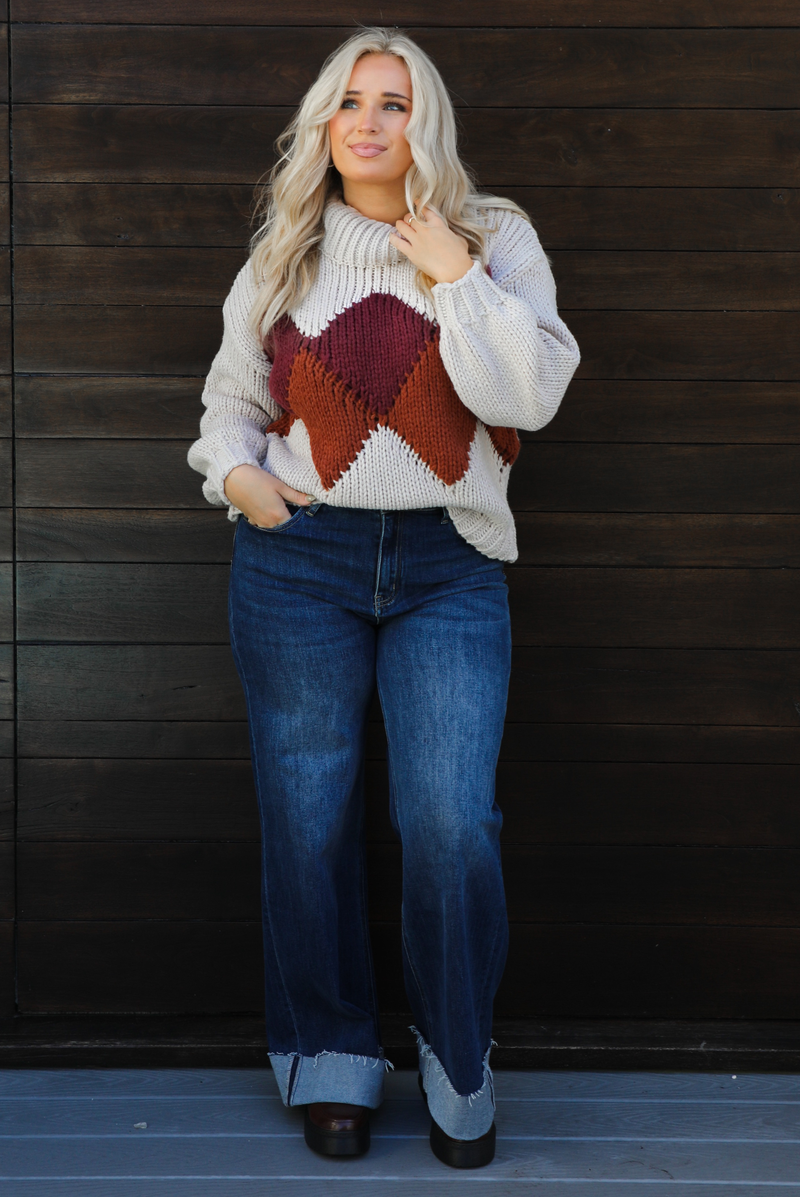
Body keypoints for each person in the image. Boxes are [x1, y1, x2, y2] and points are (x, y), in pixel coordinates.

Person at [188, 26, 579, 1170]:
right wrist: (243, 479)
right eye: (349, 100)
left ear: (427, 120)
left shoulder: (493, 235)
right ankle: (331, 1060)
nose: (367, 121)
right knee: (307, 824)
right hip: (297, 561)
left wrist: (451, 272)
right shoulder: (288, 249)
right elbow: (229, 402)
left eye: (393, 101)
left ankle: (459, 1063)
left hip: (448, 566)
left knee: (449, 824)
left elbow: (528, 393)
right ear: (323, 121)